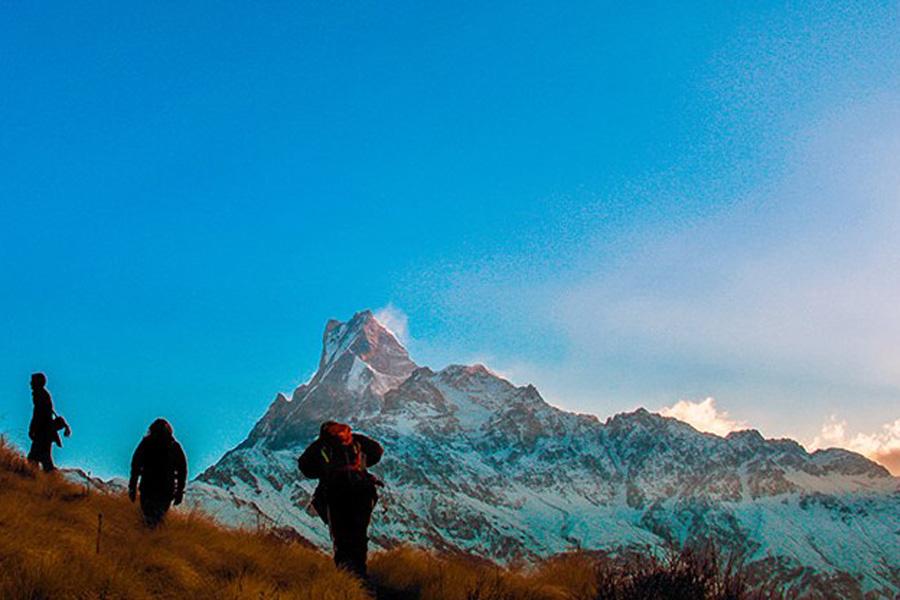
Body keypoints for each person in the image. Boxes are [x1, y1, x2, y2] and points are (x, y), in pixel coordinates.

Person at [298, 421, 383, 578]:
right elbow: (377, 452)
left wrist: (324, 472)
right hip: (361, 491)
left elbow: (305, 467)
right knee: (359, 534)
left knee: (341, 536)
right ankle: (360, 574)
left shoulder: (322, 446)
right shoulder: (357, 442)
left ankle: (346, 576)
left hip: (335, 493)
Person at [128, 419, 187, 528]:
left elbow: (135, 466)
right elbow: (182, 471)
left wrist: (132, 487)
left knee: (147, 519)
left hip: (148, 488)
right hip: (165, 490)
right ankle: (156, 540)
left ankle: (146, 540)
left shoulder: (146, 444)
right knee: (159, 519)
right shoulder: (174, 446)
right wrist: (179, 492)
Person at [27, 372, 71, 472]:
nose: (30, 383)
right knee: (44, 458)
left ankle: (35, 479)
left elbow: (38, 414)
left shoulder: (40, 395)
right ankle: (49, 481)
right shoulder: (44, 395)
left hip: (43, 432)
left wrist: (32, 429)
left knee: (34, 458)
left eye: (32, 381)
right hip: (46, 432)